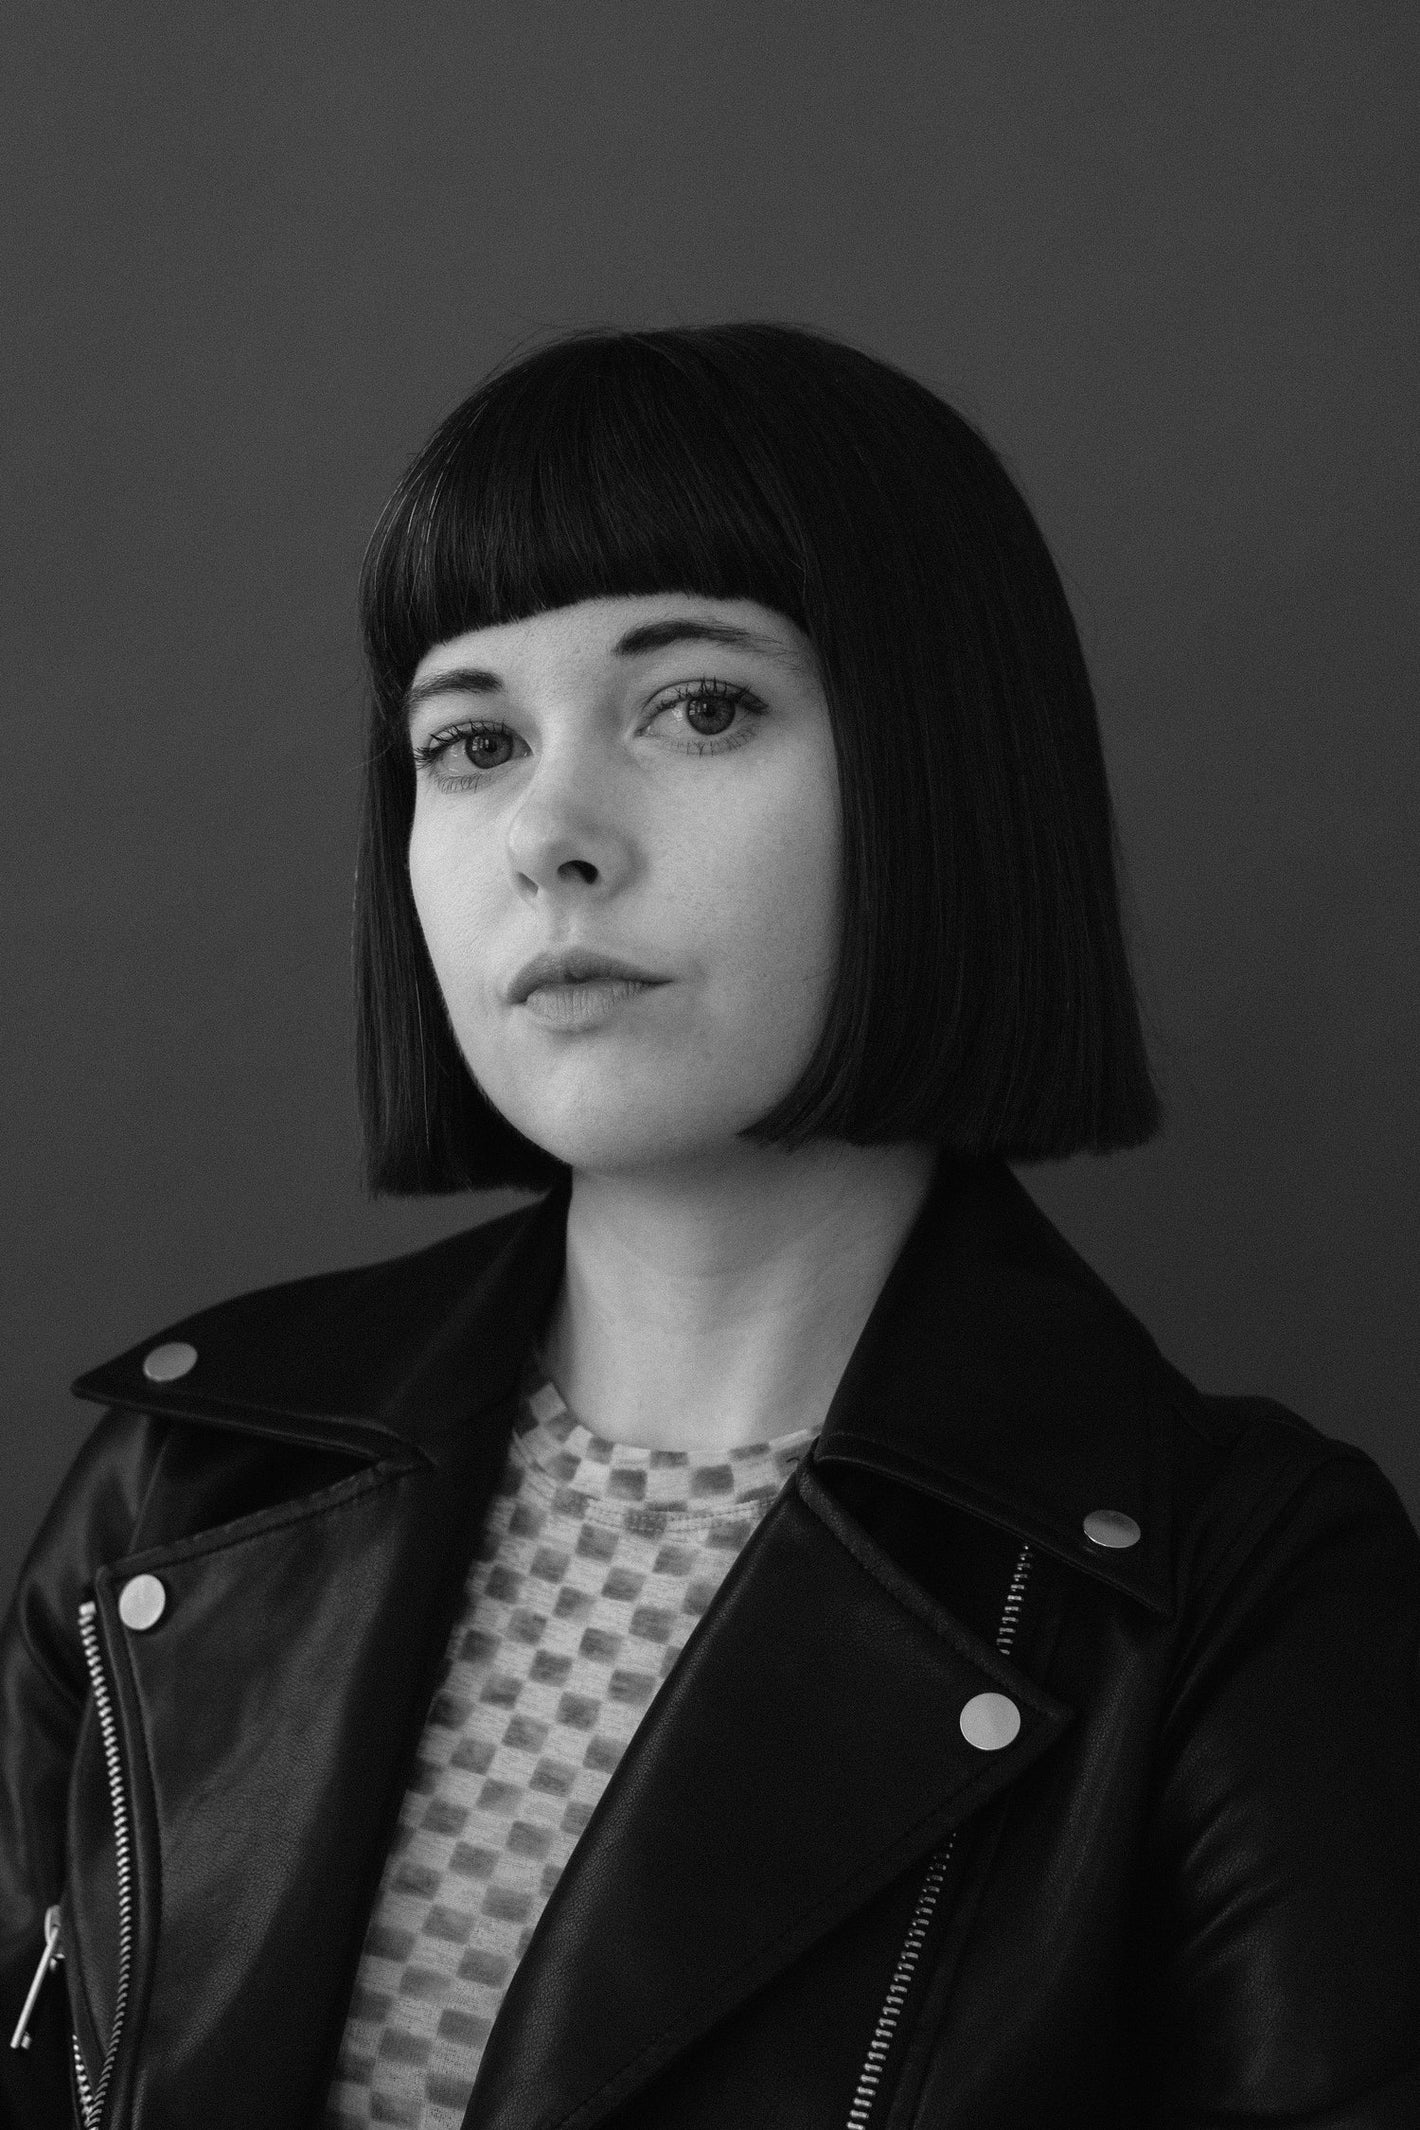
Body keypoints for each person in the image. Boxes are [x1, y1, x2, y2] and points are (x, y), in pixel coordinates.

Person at [2, 323, 1416, 2130]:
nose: (549, 830)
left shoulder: (1238, 1604)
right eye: (470, 739)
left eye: (701, 706)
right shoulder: (186, 1486)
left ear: (942, 769)